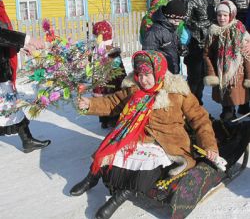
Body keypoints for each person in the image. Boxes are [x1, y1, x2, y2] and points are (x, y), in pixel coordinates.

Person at [70, 50, 222, 219]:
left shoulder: (177, 92)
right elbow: (112, 102)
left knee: (145, 169)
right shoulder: (134, 89)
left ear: (159, 72)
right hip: (137, 135)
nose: (143, 80)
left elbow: (200, 118)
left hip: (167, 142)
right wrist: (89, 104)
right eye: (139, 74)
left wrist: (209, 145)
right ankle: (93, 176)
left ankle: (117, 199)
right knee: (112, 146)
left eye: (148, 74)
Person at [0, 0, 51, 153]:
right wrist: (28, 39)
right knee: (9, 104)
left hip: (3, 65)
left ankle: (27, 140)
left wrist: (22, 47)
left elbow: (4, 38)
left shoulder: (1, 9)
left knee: (9, 104)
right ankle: (27, 140)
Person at [203, 0, 250, 121]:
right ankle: (228, 114)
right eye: (219, 15)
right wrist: (212, 74)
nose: (222, 18)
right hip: (222, 73)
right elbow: (207, 55)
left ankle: (244, 110)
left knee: (242, 95)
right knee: (227, 101)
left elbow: (247, 55)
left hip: (238, 72)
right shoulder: (213, 32)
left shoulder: (240, 29)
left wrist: (248, 76)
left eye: (225, 15)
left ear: (232, 15)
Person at [183, 0, 215, 105]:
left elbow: (213, 17)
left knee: (203, 78)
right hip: (194, 46)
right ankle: (190, 110)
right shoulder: (189, 0)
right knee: (194, 79)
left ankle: (198, 106)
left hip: (208, 45)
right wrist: (205, 24)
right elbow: (185, 21)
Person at [221, 0, 250, 115]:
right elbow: (224, 11)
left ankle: (245, 104)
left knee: (248, 70)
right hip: (235, 32)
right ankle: (229, 107)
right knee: (233, 69)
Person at [91, 20, 127, 128]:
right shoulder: (112, 53)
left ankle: (104, 120)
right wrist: (123, 80)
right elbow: (119, 70)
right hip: (111, 84)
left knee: (101, 100)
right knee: (112, 100)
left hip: (99, 84)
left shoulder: (95, 51)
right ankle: (113, 120)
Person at [142, 0, 187, 74]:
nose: (177, 24)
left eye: (179, 21)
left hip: (172, 71)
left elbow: (173, 43)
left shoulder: (171, 27)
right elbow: (148, 55)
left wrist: (180, 47)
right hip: (161, 73)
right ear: (167, 16)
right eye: (175, 20)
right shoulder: (154, 32)